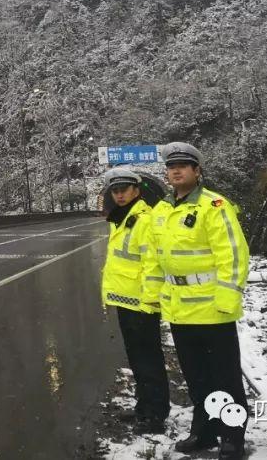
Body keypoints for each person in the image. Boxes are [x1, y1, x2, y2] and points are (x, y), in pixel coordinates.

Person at [141, 142, 250, 460]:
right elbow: (153, 259)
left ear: (197, 171)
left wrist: (228, 297)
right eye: (172, 167)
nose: (176, 171)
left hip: (213, 309)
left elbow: (233, 253)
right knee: (197, 379)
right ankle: (203, 432)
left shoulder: (214, 206)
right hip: (180, 310)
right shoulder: (161, 211)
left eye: (184, 166)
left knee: (226, 377)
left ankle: (233, 437)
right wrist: (151, 298)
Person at [100, 166, 170, 433]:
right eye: (115, 191)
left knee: (148, 359)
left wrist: (151, 302)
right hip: (126, 301)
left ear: (136, 191)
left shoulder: (144, 220)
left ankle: (155, 415)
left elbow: (152, 264)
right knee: (137, 358)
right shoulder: (122, 218)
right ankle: (144, 407)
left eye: (124, 190)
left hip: (141, 303)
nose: (119, 195)